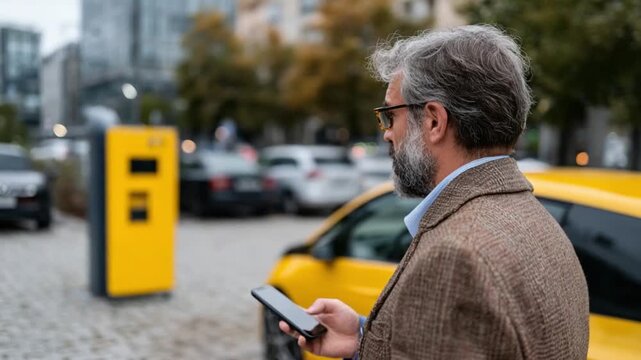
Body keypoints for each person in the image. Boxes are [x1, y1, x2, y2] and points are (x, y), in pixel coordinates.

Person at [280, 25, 589, 359]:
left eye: (389, 115)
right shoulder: (541, 222)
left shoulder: (455, 258)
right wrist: (363, 337)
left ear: (433, 122)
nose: (386, 134)